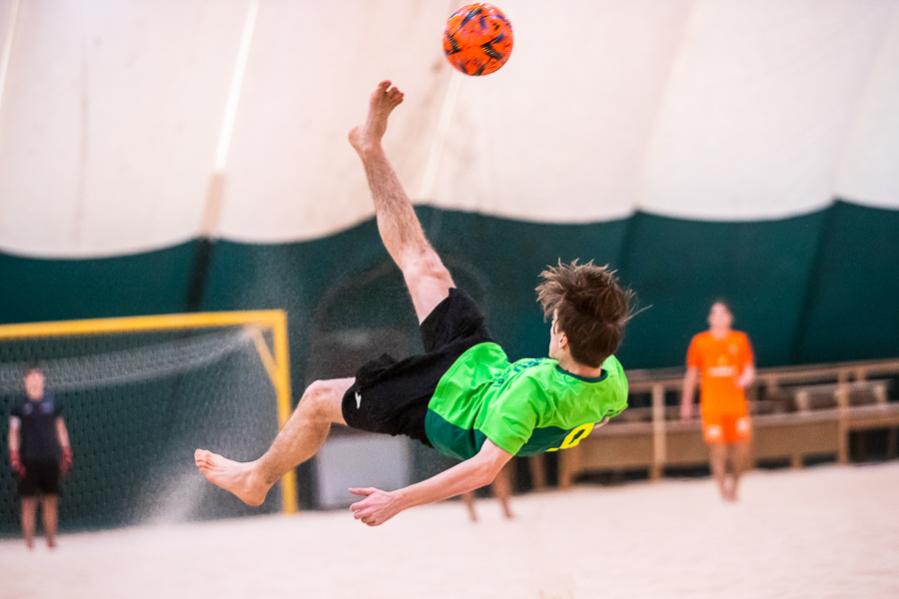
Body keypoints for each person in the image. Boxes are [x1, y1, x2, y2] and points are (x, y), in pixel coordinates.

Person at [195, 81, 633, 526]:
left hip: (443, 406)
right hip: (482, 365)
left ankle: (256, 479)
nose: (552, 323)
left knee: (318, 398)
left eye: (554, 320)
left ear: (563, 337)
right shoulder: (612, 380)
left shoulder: (533, 393)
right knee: (423, 263)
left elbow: (483, 469)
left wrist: (397, 500)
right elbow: (588, 412)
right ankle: (370, 147)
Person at [680, 301, 755, 502]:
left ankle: (735, 486)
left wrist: (746, 378)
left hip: (736, 404)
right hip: (712, 405)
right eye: (715, 313)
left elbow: (749, 369)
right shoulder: (700, 342)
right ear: (709, 318)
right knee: (718, 449)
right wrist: (687, 404)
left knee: (741, 449)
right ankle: (722, 490)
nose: (719, 316)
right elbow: (692, 374)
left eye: (723, 313)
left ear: (730, 317)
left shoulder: (740, 339)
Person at [8, 366, 73, 549]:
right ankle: (29, 542)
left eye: (38, 377)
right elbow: (13, 432)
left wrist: (66, 450)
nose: (35, 380)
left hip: (50, 458)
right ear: (25, 381)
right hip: (28, 460)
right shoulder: (19, 407)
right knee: (28, 503)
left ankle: (51, 540)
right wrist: (14, 455)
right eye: (31, 377)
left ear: (43, 380)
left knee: (50, 500)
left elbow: (60, 427)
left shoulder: (53, 404)